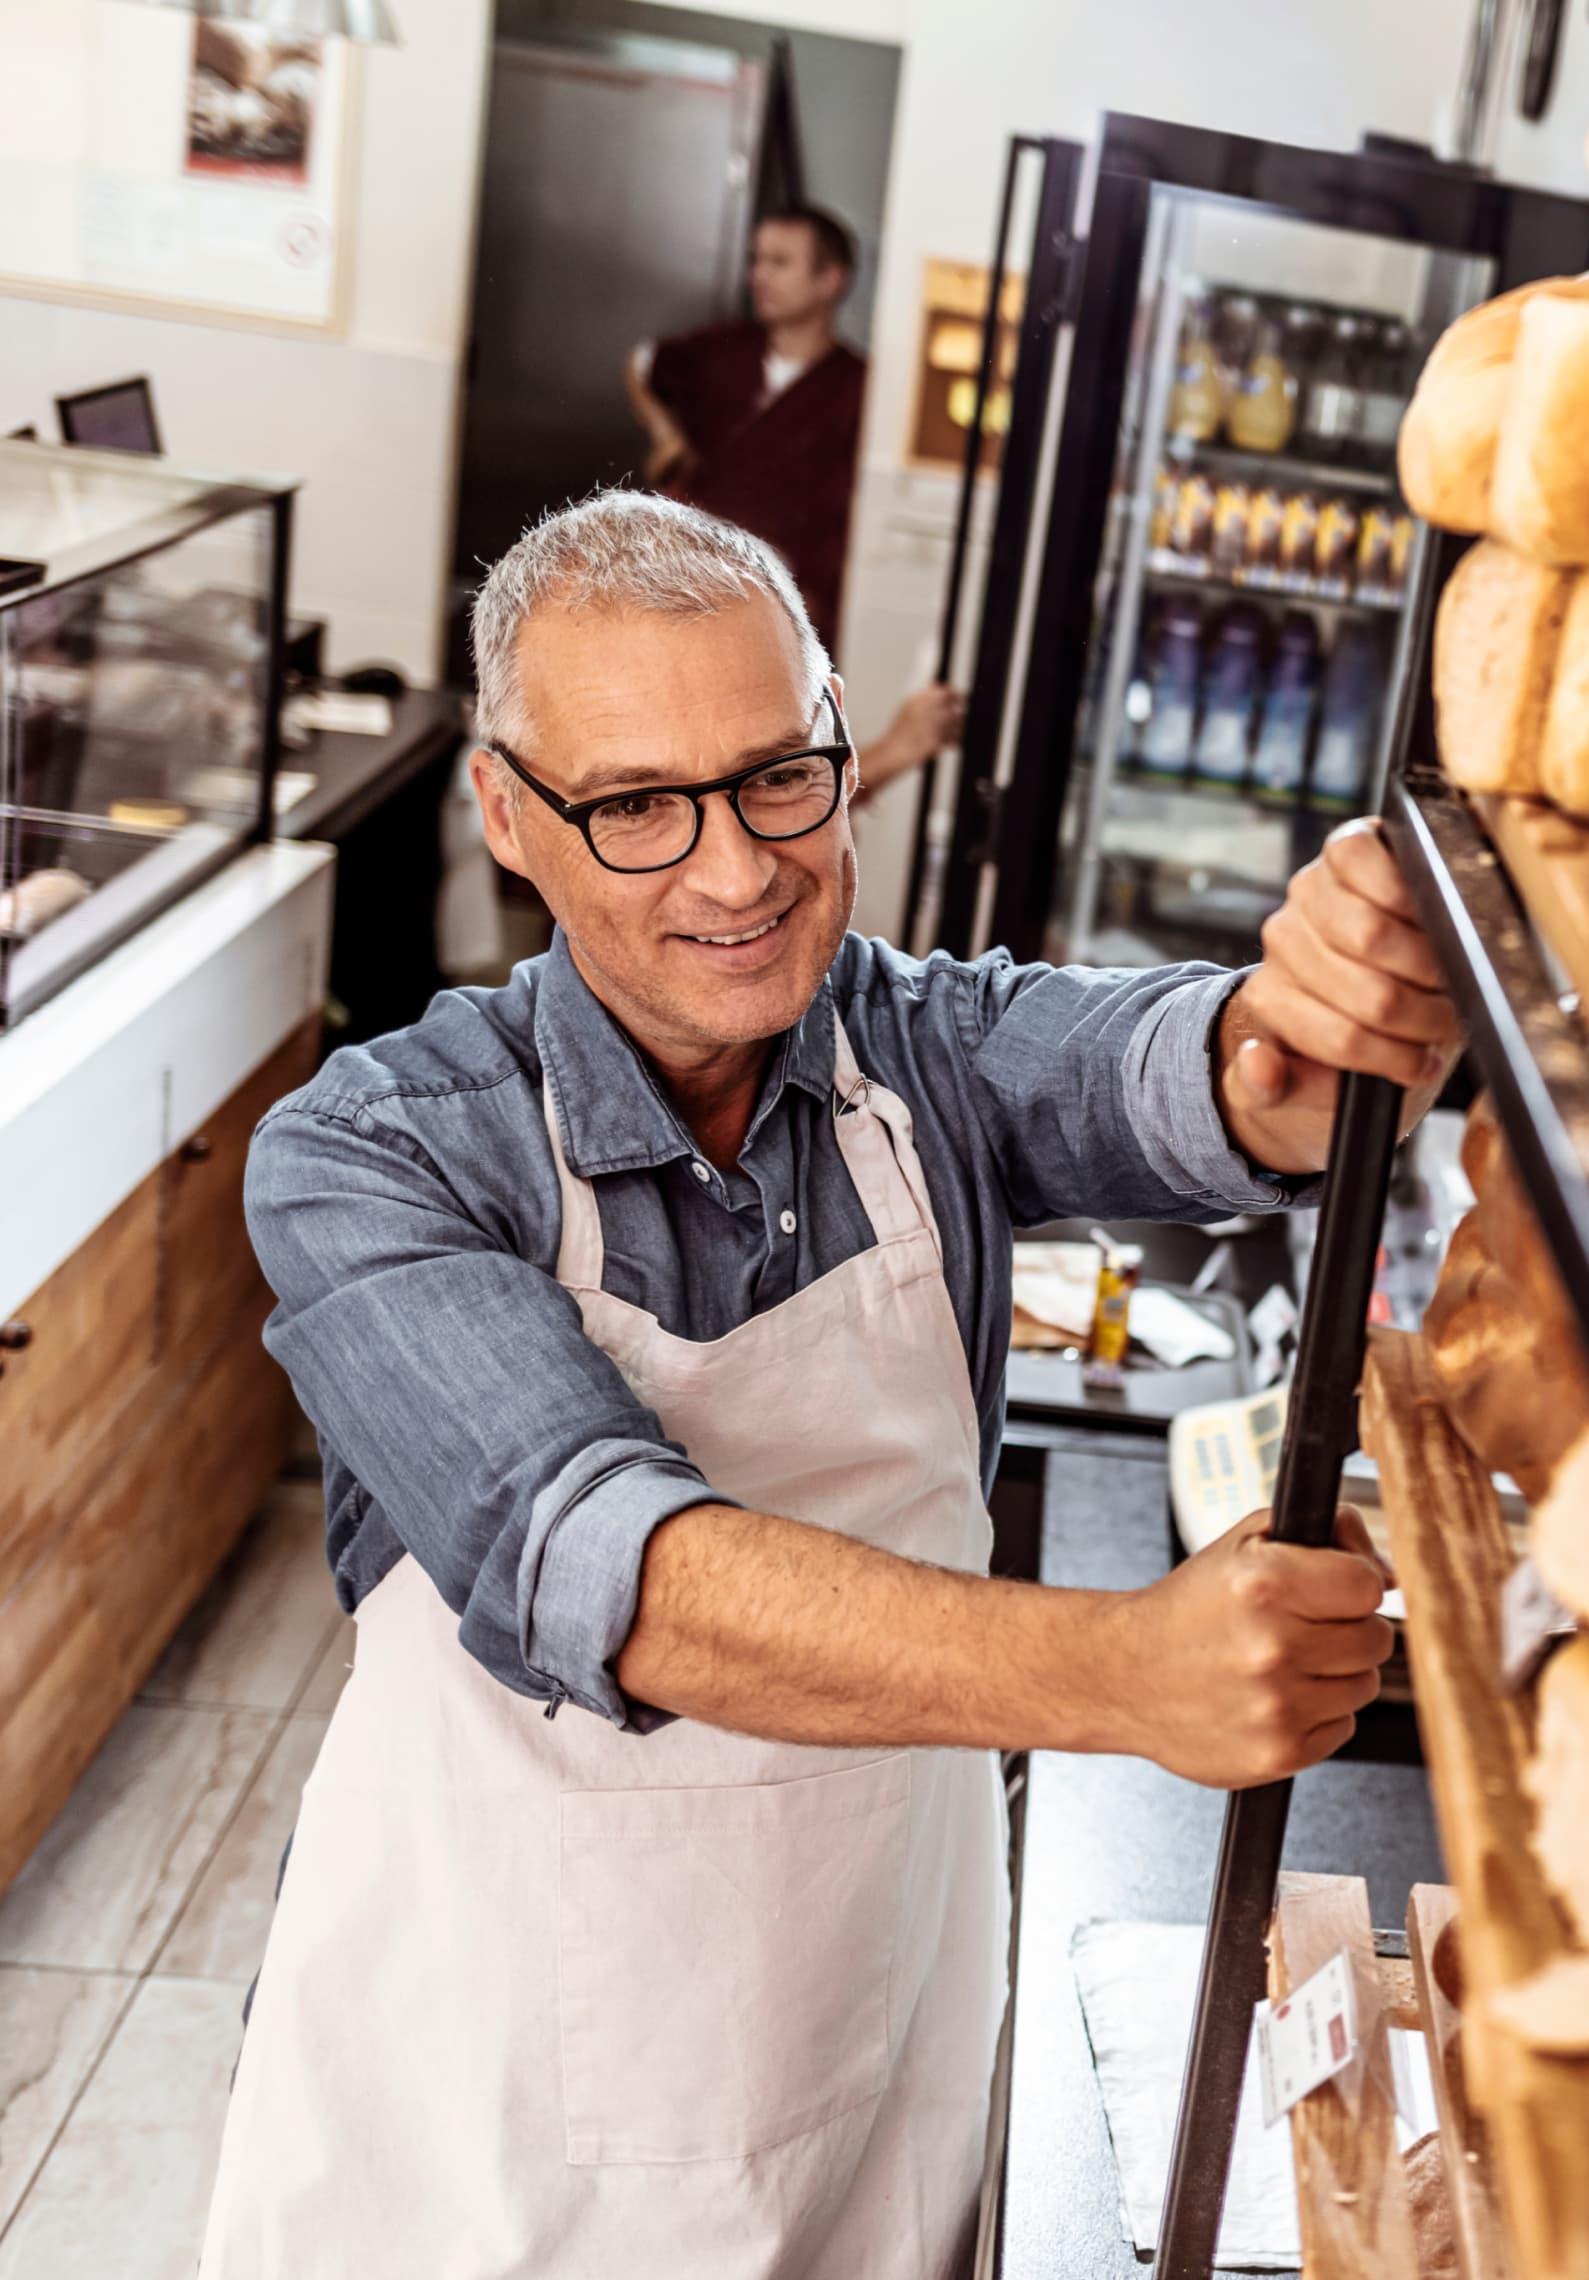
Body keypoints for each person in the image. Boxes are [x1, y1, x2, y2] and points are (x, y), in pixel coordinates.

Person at [201, 491, 1462, 2279]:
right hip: (478, 2141)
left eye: (779, 776)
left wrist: (1314, 1021)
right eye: (636, 807)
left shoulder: (912, 1052)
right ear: (509, 816)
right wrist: (1118, 1673)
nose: (735, 872)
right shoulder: (378, 1152)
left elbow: (1180, 1076)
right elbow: (613, 1575)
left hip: (867, 2068)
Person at [626, 204, 866, 651]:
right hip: (682, 580)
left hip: (783, 610)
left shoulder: (858, 386)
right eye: (756, 260)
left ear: (829, 280)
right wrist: (665, 434)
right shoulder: (722, 349)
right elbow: (641, 364)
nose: (758, 276)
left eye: (779, 263)